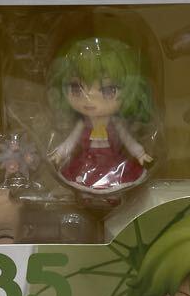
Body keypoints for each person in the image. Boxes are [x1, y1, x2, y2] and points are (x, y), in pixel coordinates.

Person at [47, 36, 153, 194]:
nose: (89, 99)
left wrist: (140, 153)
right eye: (76, 88)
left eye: (108, 90)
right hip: (86, 162)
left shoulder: (116, 123)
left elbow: (128, 140)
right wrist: (59, 153)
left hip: (112, 163)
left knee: (115, 187)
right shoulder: (83, 124)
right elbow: (71, 141)